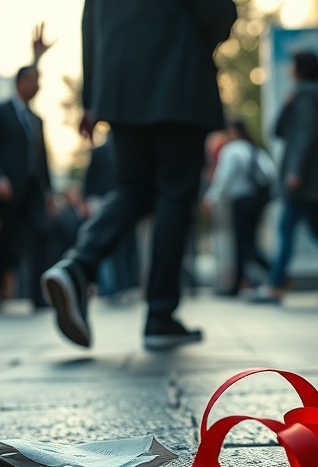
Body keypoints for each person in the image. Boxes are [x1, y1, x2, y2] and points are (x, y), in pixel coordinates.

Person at [41, 0, 237, 351]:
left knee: (133, 188)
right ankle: (160, 313)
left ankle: (78, 265)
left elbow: (90, 21)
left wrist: (91, 98)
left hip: (119, 84)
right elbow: (216, 12)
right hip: (177, 74)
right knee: (174, 194)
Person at [253, 51, 318, 305]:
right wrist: (287, 107)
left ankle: (276, 285)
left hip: (304, 181)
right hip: (312, 181)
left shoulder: (308, 96)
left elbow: (305, 136)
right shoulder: (305, 96)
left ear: (301, 69)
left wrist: (296, 172)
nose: (289, 68)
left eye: (293, 64)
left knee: (286, 227)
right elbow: (278, 132)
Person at [0, 66, 53, 309]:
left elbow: (43, 157)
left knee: (40, 235)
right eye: (35, 80)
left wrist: (49, 191)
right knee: (5, 238)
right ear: (21, 82)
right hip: (9, 186)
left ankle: (36, 293)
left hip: (34, 188)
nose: (39, 86)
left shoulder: (37, 120)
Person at [202, 118, 274, 296]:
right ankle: (238, 284)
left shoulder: (232, 151)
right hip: (256, 201)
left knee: (243, 244)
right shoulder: (255, 150)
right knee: (247, 242)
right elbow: (270, 173)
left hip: (240, 201)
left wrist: (212, 198)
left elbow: (223, 178)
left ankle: (275, 271)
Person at [82, 138, 140, 301]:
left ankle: (127, 284)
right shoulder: (100, 152)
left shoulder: (130, 150)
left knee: (128, 246)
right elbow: (90, 179)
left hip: (125, 201)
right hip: (104, 201)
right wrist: (88, 200)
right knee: (110, 246)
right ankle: (112, 287)